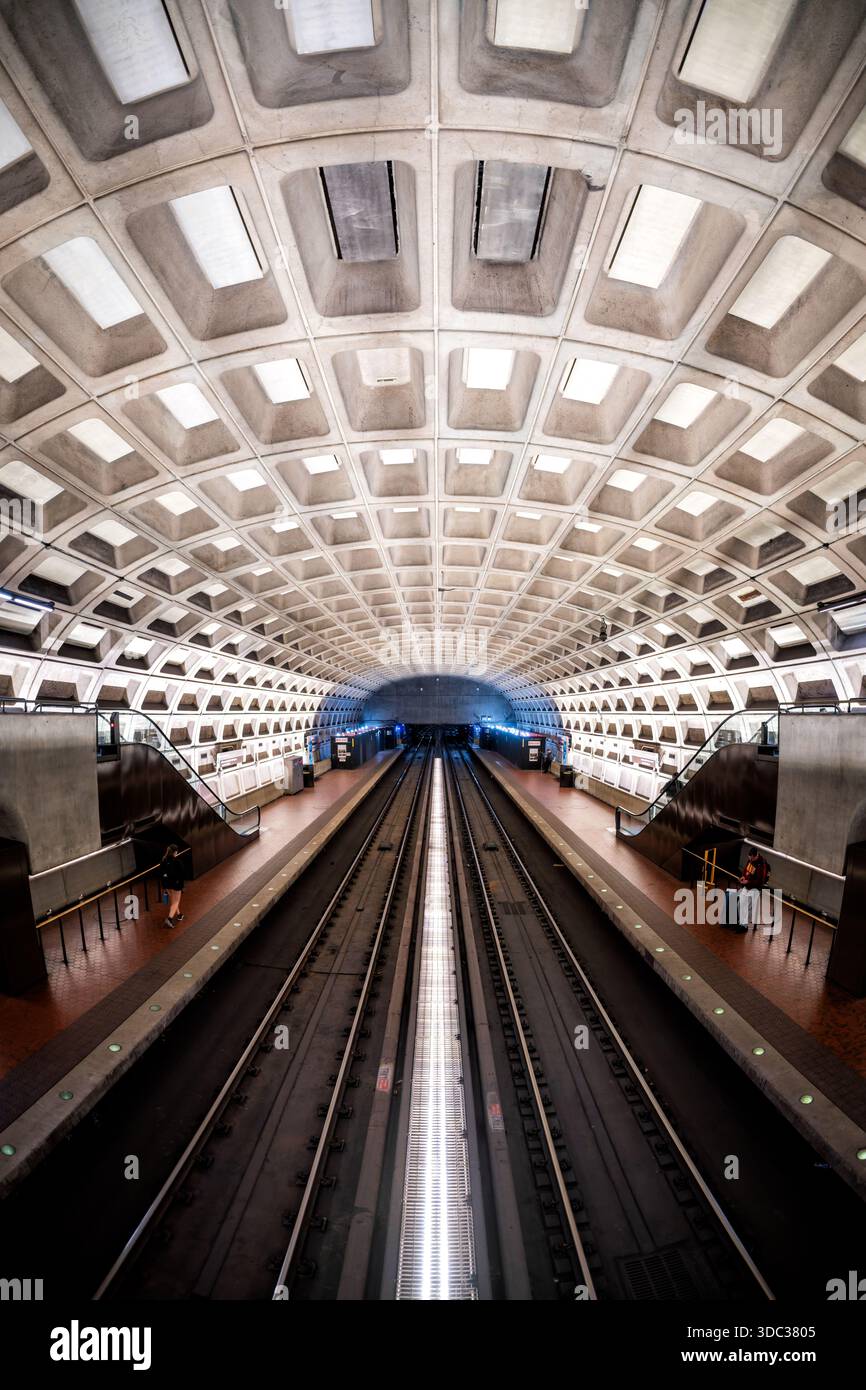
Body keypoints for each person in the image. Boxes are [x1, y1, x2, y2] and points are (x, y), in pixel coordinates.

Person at [736, 847, 770, 930]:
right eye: (749, 857)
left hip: (755, 889)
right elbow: (746, 870)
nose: (750, 859)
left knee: (747, 907)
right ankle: (741, 922)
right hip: (747, 886)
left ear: (755, 856)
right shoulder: (751, 860)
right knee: (740, 904)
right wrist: (743, 877)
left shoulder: (762, 864)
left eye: (751, 858)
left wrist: (748, 882)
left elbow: (759, 881)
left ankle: (744, 926)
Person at [160, 844, 189, 928]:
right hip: (176, 884)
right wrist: (182, 885)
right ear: (175, 852)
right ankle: (169, 919)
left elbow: (161, 872)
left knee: (173, 901)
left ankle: (179, 915)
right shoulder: (177, 861)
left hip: (167, 884)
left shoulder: (163, 860)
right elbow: (182, 874)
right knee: (176, 902)